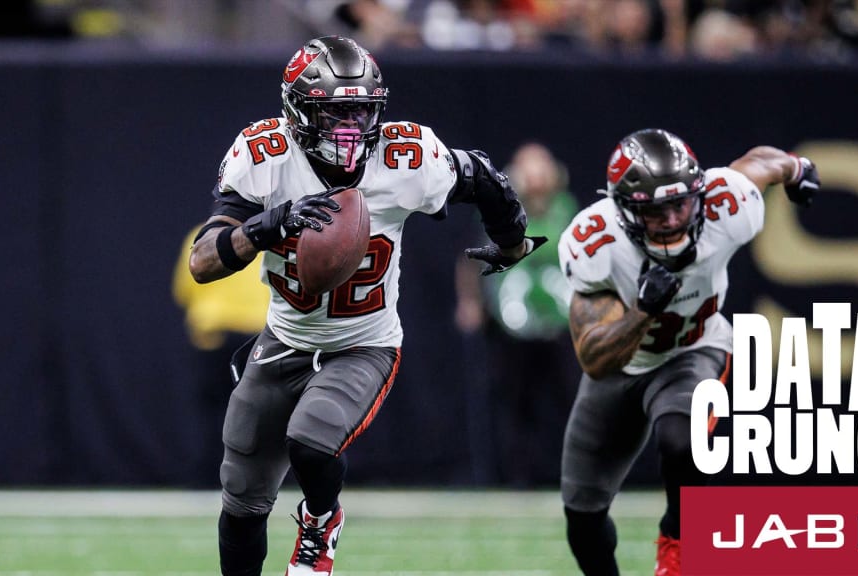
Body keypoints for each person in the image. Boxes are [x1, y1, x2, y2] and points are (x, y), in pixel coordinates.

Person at [187, 35, 545, 576]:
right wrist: (268, 226)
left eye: (360, 110)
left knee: (311, 440)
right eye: (334, 112)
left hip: (363, 345)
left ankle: (321, 520)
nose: (350, 127)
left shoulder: (405, 158)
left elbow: (482, 177)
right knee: (241, 500)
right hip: (283, 342)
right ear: (298, 110)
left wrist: (513, 241)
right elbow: (203, 262)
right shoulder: (266, 156)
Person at [556, 128, 820, 576]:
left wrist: (796, 169)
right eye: (657, 211)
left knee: (682, 439)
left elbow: (761, 163)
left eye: (681, 204)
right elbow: (594, 360)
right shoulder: (596, 244)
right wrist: (641, 312)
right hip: (623, 368)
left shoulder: (726, 207)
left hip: (695, 350)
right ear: (624, 211)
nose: (675, 219)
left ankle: (678, 549)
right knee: (583, 517)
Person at [454, 141, 580, 486]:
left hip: (560, 323)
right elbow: (471, 258)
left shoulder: (566, 209)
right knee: (513, 403)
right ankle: (516, 478)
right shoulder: (499, 209)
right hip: (510, 325)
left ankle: (577, 474)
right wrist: (470, 302)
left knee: (571, 400)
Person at [172, 224, 271, 488]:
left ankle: (208, 477)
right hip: (255, 333)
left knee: (213, 410)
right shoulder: (267, 236)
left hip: (214, 332)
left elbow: (184, 288)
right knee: (259, 409)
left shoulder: (200, 237)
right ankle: (257, 477)